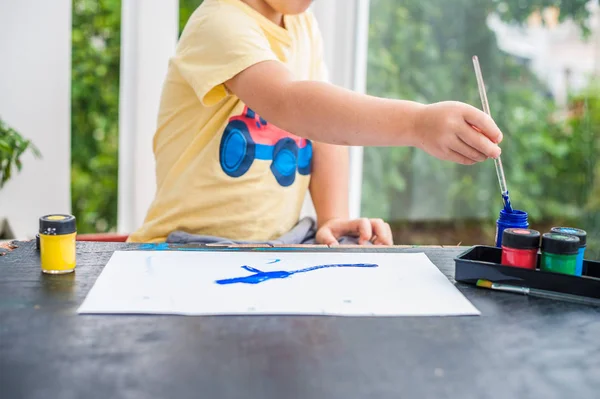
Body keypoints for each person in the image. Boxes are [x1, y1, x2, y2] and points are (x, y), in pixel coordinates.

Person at [127, 0, 503, 246]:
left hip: (278, 243)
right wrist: (417, 123)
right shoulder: (219, 22)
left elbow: (323, 130)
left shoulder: (303, 26)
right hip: (188, 244)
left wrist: (332, 219)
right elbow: (289, 103)